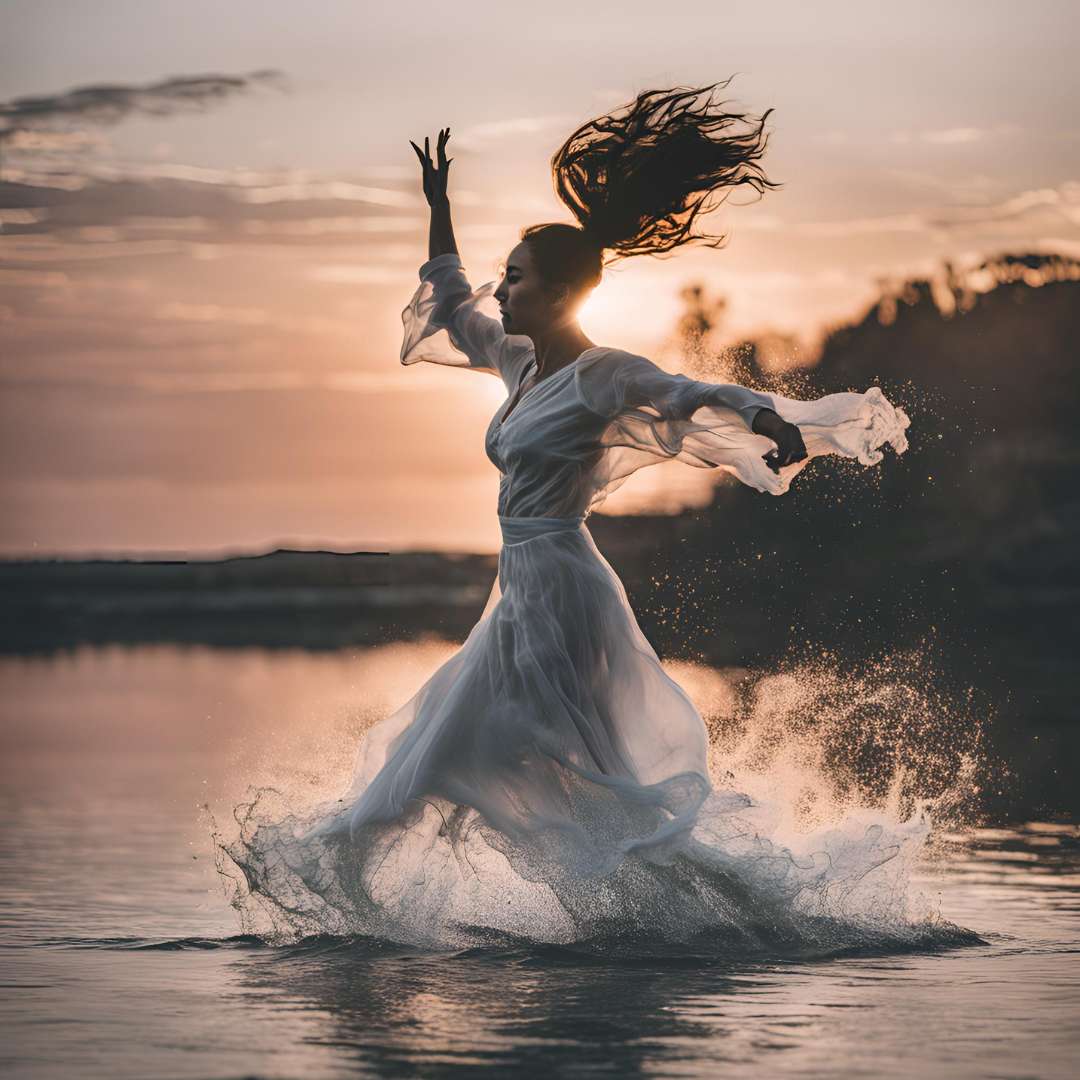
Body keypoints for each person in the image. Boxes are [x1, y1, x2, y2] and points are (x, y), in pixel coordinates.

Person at [223, 83, 915, 949]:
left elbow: (687, 392)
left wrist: (769, 418)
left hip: (562, 588)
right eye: (505, 275)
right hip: (521, 591)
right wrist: (438, 208)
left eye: (515, 277)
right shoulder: (519, 366)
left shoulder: (602, 373)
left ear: (557, 293)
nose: (499, 289)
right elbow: (447, 297)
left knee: (491, 764)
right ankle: (656, 923)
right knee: (480, 761)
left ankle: (684, 928)